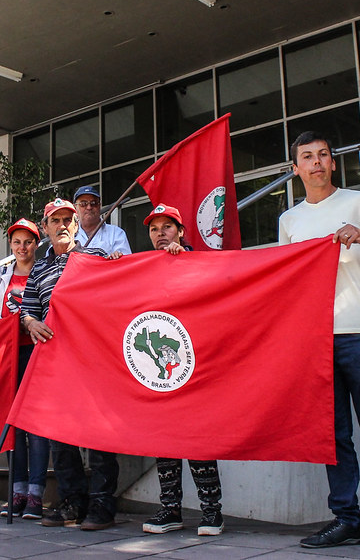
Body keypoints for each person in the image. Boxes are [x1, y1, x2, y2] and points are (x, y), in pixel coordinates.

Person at [278, 131, 360, 555]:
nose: (316, 162)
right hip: (315, 338)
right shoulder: (289, 221)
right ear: (295, 168)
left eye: (323, 155)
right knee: (333, 436)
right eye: (307, 157)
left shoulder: (359, 202)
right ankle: (347, 520)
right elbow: (286, 284)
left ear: (333, 163)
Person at [20, 198, 119, 531]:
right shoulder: (39, 268)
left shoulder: (96, 257)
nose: (61, 225)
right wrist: (31, 324)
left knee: (97, 433)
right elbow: (27, 310)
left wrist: (118, 265)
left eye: (67, 220)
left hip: (93, 359)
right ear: (45, 228)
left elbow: (119, 298)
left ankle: (103, 504)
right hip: (55, 361)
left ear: (76, 225)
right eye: (54, 221)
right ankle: (72, 501)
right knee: (59, 435)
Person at [139, 204, 224, 537]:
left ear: (181, 231)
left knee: (198, 438)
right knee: (164, 438)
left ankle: (211, 511)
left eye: (167, 227)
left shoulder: (198, 261)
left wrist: (184, 258)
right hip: (158, 368)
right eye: (154, 228)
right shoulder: (143, 267)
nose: (160, 233)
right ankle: (170, 509)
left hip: (193, 362)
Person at [0, 217, 49, 520]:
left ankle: (36, 494)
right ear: (10, 244)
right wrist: (5, 327)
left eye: (28, 241)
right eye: (17, 242)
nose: (22, 247)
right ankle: (17, 492)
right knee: (14, 425)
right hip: (8, 356)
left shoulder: (44, 271)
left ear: (37, 244)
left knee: (35, 424)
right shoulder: (1, 274)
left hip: (38, 354)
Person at [72, 185, 131, 255]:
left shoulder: (116, 233)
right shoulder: (70, 235)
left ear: (99, 206)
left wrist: (117, 257)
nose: (89, 207)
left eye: (93, 203)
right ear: (75, 207)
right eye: (83, 204)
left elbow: (126, 262)